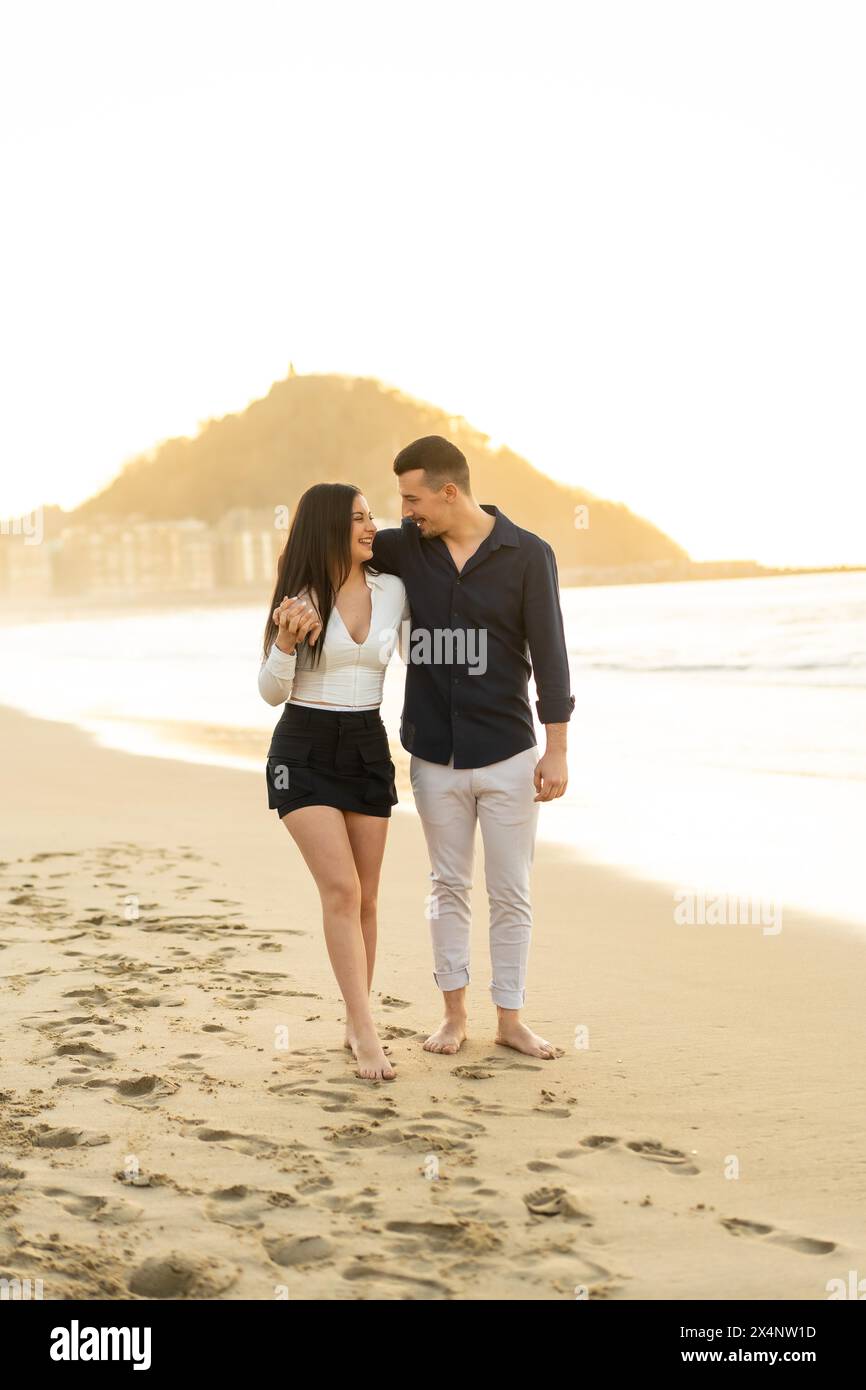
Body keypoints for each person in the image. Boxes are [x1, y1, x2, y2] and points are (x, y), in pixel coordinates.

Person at [371, 435, 574, 1059]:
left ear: (449, 491)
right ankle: (453, 1015)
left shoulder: (528, 554)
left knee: (511, 890)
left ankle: (510, 1019)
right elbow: (326, 549)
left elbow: (551, 653)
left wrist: (556, 749)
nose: (405, 511)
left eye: (413, 498)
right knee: (448, 886)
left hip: (510, 752)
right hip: (433, 755)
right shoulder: (404, 547)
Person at [258, 482, 408, 1082]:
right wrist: (286, 642)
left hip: (368, 744)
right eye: (358, 519)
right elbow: (271, 692)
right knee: (341, 891)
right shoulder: (297, 597)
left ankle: (354, 1020)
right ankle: (366, 1031)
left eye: (373, 517)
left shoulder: (393, 590)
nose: (372, 527)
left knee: (367, 897)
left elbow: (419, 658)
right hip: (304, 749)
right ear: (327, 528)